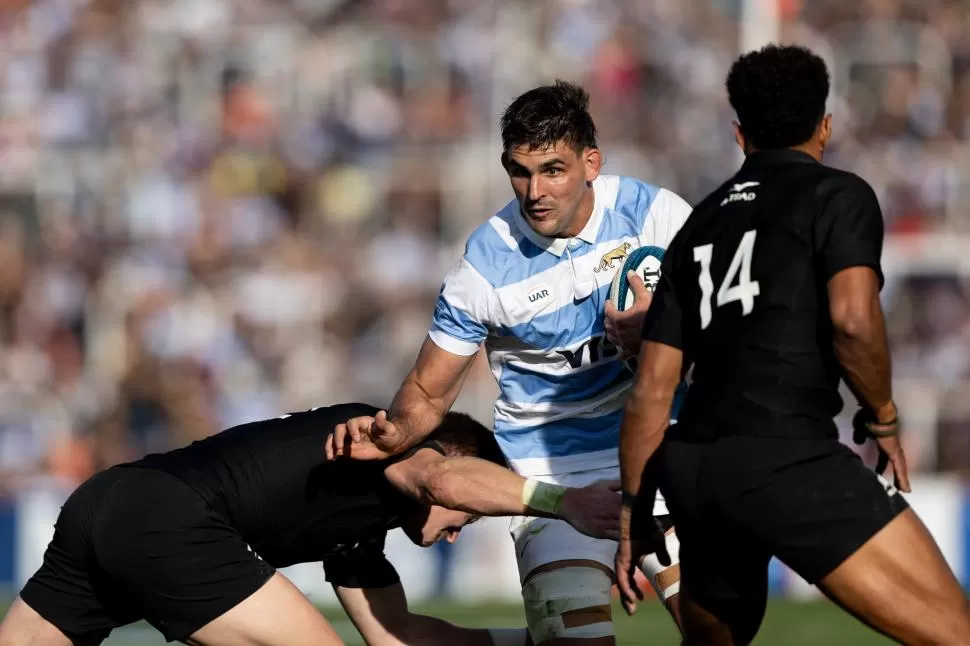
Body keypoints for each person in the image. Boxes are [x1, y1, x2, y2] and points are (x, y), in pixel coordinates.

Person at [614, 44, 970, 645]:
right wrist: (883, 417)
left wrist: (634, 512)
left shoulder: (699, 223)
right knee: (955, 633)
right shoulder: (838, 195)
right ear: (825, 126)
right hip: (783, 455)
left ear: (738, 133)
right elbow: (853, 320)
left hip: (696, 466)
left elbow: (651, 389)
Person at [328, 81, 693, 645]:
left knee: (720, 629)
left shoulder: (656, 215)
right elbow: (428, 393)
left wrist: (664, 331)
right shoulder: (483, 266)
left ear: (591, 163)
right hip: (552, 475)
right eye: (520, 172)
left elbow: (735, 325)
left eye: (553, 170)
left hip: (661, 454)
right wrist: (394, 431)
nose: (535, 191)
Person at [0, 402, 623, 646]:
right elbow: (442, 481)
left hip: (102, 501)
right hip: (167, 515)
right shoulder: (387, 442)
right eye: (471, 513)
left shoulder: (359, 529)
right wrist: (561, 502)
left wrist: (532, 641)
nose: (461, 528)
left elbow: (396, 635)